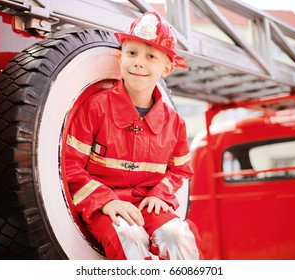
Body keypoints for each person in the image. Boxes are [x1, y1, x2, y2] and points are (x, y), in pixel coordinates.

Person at [65, 11, 202, 260]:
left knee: (178, 236)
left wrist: (160, 193)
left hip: (149, 204)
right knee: (128, 236)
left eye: (151, 56)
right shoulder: (96, 108)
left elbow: (180, 171)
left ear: (167, 67)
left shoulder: (175, 124)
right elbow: (70, 166)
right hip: (104, 207)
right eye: (131, 53)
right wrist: (105, 201)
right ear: (120, 59)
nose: (139, 62)